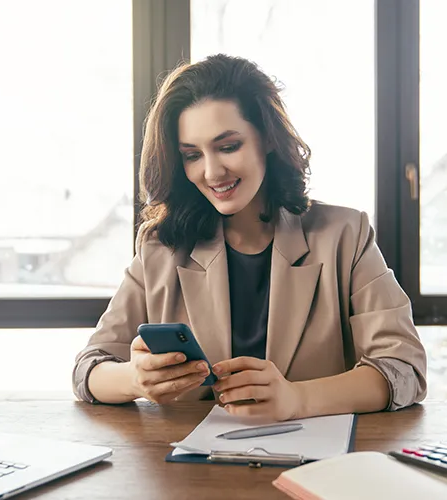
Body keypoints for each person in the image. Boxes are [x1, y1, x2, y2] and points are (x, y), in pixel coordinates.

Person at [72, 54, 427, 421]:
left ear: (268, 138)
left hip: (317, 468)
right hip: (191, 470)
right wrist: (134, 380)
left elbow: (403, 369)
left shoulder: (345, 235)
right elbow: (88, 370)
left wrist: (297, 399)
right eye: (192, 155)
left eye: (228, 147)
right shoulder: (160, 247)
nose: (211, 172)